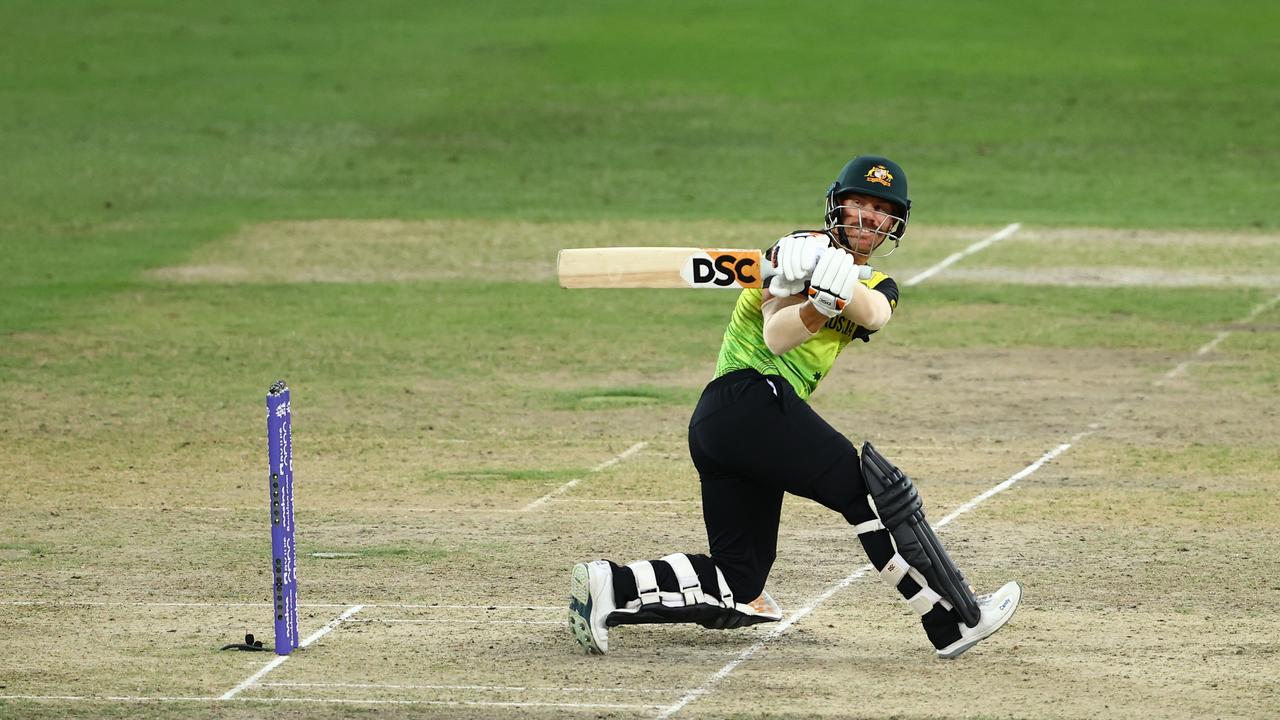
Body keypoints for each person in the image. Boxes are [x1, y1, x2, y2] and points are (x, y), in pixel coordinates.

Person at [568, 155, 1020, 659]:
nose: (868, 217)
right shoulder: (792, 254)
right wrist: (808, 296)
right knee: (871, 494)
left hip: (730, 429)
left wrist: (838, 290)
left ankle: (611, 587)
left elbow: (874, 314)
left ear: (895, 224)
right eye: (859, 204)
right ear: (837, 206)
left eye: (882, 210)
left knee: (742, 580)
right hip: (750, 398)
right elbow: (777, 336)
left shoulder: (877, 286)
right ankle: (952, 619)